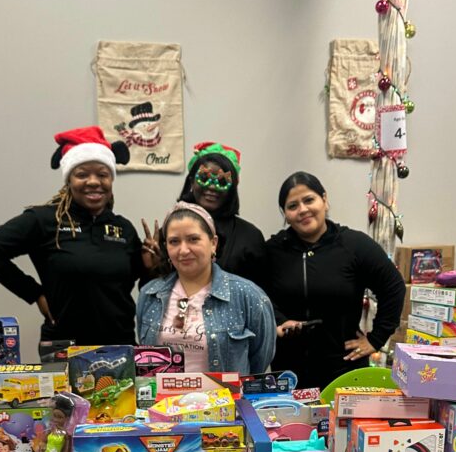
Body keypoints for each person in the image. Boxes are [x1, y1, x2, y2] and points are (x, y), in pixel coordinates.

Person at [0, 126, 160, 352]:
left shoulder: (123, 228)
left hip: (119, 344)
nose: (94, 182)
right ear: (69, 180)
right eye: (82, 175)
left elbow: (135, 287)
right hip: (63, 347)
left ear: (111, 179)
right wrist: (35, 293)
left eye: (102, 174)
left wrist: (151, 268)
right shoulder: (44, 220)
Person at [264, 172, 405, 390]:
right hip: (289, 372)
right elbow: (258, 296)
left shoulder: (354, 244)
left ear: (324, 200)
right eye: (293, 206)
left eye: (309, 200)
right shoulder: (272, 251)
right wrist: (278, 321)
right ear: (285, 213)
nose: (303, 209)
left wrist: (376, 339)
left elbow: (393, 286)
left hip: (343, 369)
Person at [137, 202, 275, 376]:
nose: (183, 250)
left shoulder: (248, 295)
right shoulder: (149, 294)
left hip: (225, 395)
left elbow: (259, 360)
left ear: (213, 243)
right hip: (163, 394)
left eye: (193, 239)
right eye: (174, 241)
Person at [177, 142, 265, 282]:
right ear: (192, 181)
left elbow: (260, 291)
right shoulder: (173, 229)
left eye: (222, 182)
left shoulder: (250, 236)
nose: (212, 187)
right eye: (204, 178)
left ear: (232, 188)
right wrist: (153, 268)